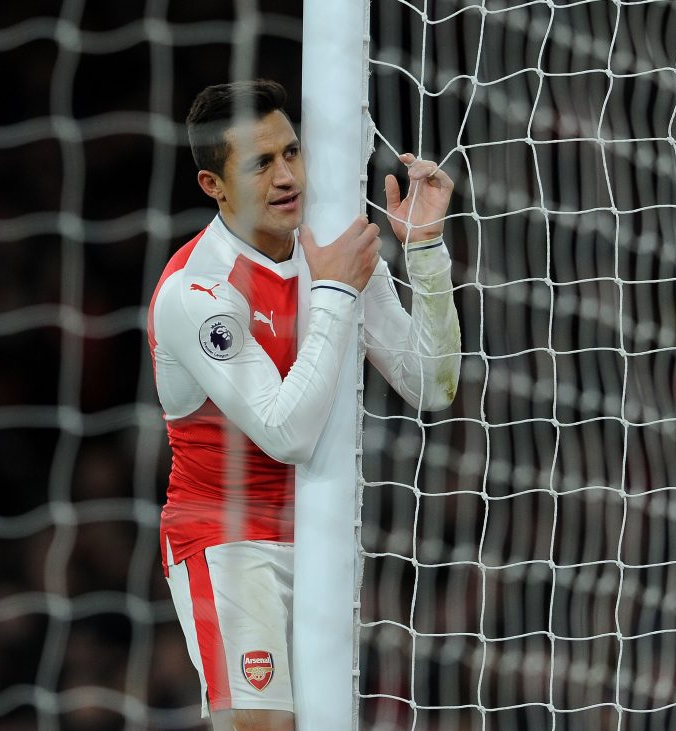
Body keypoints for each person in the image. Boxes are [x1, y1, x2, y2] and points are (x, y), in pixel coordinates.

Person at [147, 79, 460, 731]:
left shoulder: (331, 253)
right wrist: (337, 294)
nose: (288, 175)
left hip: (322, 532)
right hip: (226, 537)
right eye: (262, 163)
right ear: (215, 185)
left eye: (292, 152)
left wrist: (424, 251)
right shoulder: (197, 291)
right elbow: (285, 431)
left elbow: (432, 383)